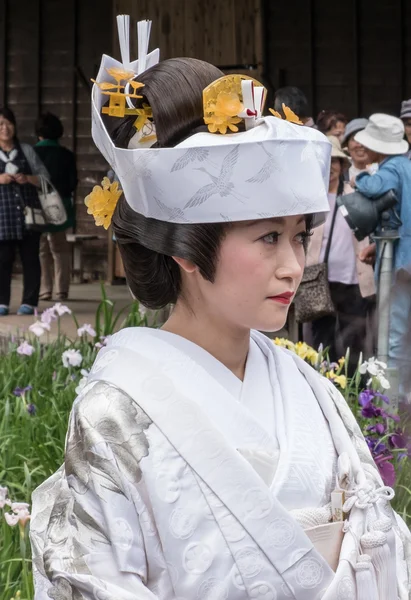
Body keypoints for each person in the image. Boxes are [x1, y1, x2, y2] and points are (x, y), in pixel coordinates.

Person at [30, 16, 411, 599]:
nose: (292, 265)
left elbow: (381, 546)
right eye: (267, 238)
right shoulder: (115, 414)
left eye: (298, 236)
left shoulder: (310, 389)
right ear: (187, 248)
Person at [307, 136, 375, 372]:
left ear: (341, 165)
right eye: (327, 161)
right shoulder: (310, 198)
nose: (331, 167)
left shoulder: (355, 194)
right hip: (319, 279)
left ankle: (353, 392)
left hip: (351, 279)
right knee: (321, 341)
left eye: (335, 161)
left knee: (354, 342)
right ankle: (322, 384)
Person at [354, 114, 411, 389]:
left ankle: (394, 404)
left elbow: (373, 187)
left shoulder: (392, 169)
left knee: (393, 335)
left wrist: (363, 174)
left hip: (399, 263)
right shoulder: (408, 166)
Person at [0, 107, 49, 316]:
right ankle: (2, 302)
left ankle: (29, 302)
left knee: (31, 259)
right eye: (0, 124)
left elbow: (46, 180)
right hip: (2, 217)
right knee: (2, 261)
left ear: (14, 125)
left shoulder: (27, 150)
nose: (5, 128)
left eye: (8, 123)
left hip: (28, 215)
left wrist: (27, 178)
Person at [34, 113, 77, 301]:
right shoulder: (67, 155)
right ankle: (62, 290)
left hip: (38, 205)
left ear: (39, 133)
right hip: (61, 205)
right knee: (60, 248)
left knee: (41, 248)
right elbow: (73, 182)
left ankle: (45, 289)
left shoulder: (31, 153)